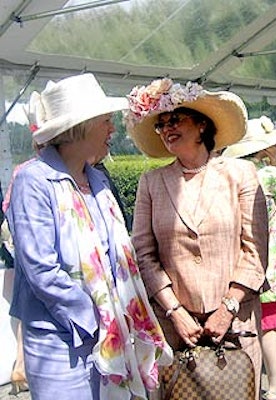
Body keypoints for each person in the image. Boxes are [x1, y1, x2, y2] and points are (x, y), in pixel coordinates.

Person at [5, 73, 172, 400]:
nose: (113, 130)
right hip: (62, 341)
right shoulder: (34, 181)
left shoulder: (98, 181)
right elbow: (41, 271)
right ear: (80, 127)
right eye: (106, 121)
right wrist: (97, 316)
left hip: (111, 334)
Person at [125, 78, 268, 399]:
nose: (166, 129)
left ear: (202, 124)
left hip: (235, 326)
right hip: (176, 330)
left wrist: (227, 308)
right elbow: (144, 253)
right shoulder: (152, 182)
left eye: (175, 119)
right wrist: (175, 311)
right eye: (161, 125)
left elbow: (256, 252)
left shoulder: (241, 174)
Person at [223, 116, 276, 400]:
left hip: (239, 257)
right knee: (270, 326)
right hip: (272, 260)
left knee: (246, 324)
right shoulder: (267, 173)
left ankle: (245, 385)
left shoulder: (228, 172)